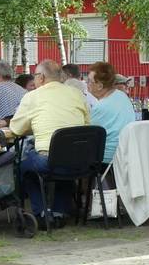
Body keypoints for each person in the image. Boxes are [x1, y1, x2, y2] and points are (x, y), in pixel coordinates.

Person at [9, 59, 90, 223]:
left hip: (48, 161)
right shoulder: (77, 94)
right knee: (63, 162)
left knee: (23, 167)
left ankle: (42, 213)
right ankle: (60, 213)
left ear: (41, 77)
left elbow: (16, 129)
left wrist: (35, 127)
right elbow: (86, 125)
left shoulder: (32, 97)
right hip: (80, 161)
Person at [88, 61, 135, 164]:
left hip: (107, 159)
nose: (88, 85)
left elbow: (87, 137)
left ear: (100, 86)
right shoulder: (122, 96)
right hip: (127, 155)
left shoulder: (100, 107)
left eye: (90, 81)